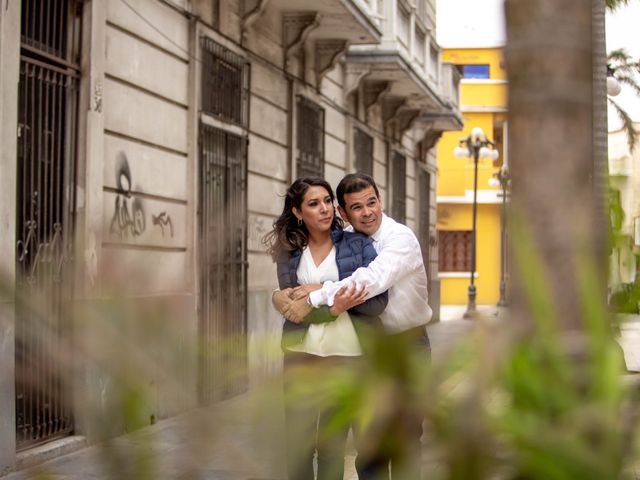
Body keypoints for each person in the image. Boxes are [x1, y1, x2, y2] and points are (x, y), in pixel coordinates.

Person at [278, 173, 432, 480]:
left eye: (372, 203)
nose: (368, 212)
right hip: (368, 346)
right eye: (357, 207)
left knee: (404, 435)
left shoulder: (399, 238)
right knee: (371, 442)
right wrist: (282, 298)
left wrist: (317, 293)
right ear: (344, 213)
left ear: (381, 200)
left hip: (406, 345)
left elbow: (371, 284)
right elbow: (287, 294)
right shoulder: (346, 239)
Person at [263, 177, 389, 480]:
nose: (325, 209)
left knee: (332, 446)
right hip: (299, 357)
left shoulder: (357, 244)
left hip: (347, 358)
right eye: (313, 203)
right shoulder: (289, 251)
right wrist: (327, 305)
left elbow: (377, 301)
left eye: (327, 201)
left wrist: (326, 300)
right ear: (297, 211)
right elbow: (295, 309)